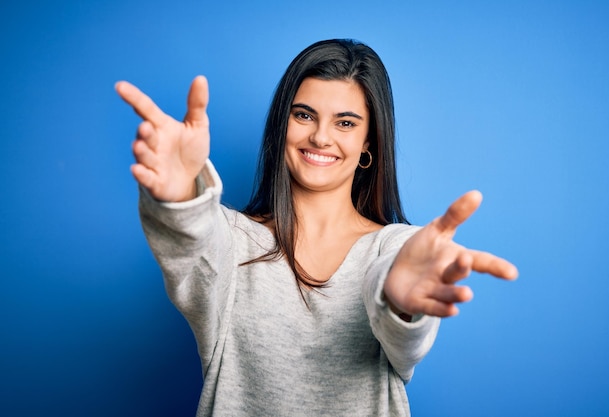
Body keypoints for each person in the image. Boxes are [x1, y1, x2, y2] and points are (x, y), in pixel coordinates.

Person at [115, 39, 518, 417]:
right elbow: (193, 241)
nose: (320, 137)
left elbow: (403, 330)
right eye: (304, 115)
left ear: (368, 143)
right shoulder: (233, 241)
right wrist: (182, 192)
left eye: (345, 123)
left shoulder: (396, 248)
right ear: (282, 125)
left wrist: (399, 302)